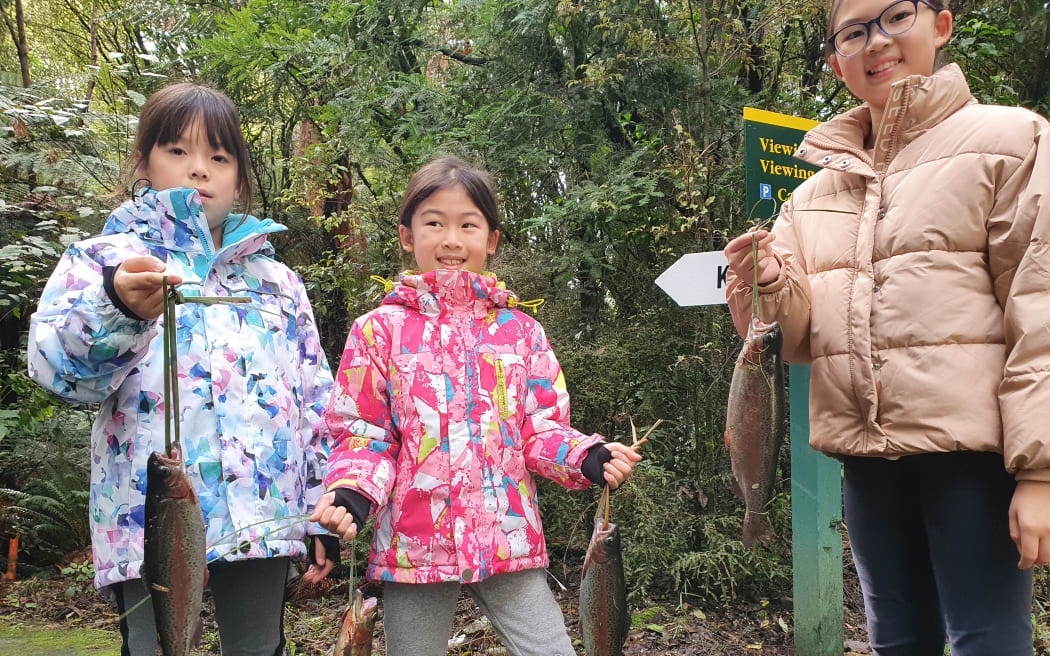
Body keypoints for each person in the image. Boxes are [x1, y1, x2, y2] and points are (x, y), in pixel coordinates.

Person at [724, 1, 1050, 654]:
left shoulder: (1012, 141)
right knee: (898, 644)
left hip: (975, 463)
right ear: (836, 63)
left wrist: (1040, 474)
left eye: (894, 16)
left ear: (942, 24)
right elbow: (793, 336)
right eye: (853, 32)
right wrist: (764, 287)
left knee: (986, 642)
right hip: (867, 467)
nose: (876, 41)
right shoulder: (810, 197)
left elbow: (1038, 310)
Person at [27, 82, 337, 656]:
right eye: (177, 151)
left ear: (239, 178)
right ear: (143, 162)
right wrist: (117, 307)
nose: (200, 170)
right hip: (147, 519)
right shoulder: (105, 261)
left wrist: (323, 505)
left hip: (262, 519)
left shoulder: (276, 283)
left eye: (218, 157)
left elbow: (318, 402)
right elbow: (57, 373)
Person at [309, 156, 643, 656]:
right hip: (413, 546)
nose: (451, 239)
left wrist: (586, 455)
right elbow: (364, 433)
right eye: (434, 223)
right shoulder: (378, 331)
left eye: (468, 225)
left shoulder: (520, 332)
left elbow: (540, 428)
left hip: (508, 539)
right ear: (407, 236)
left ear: (491, 240)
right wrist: (352, 493)